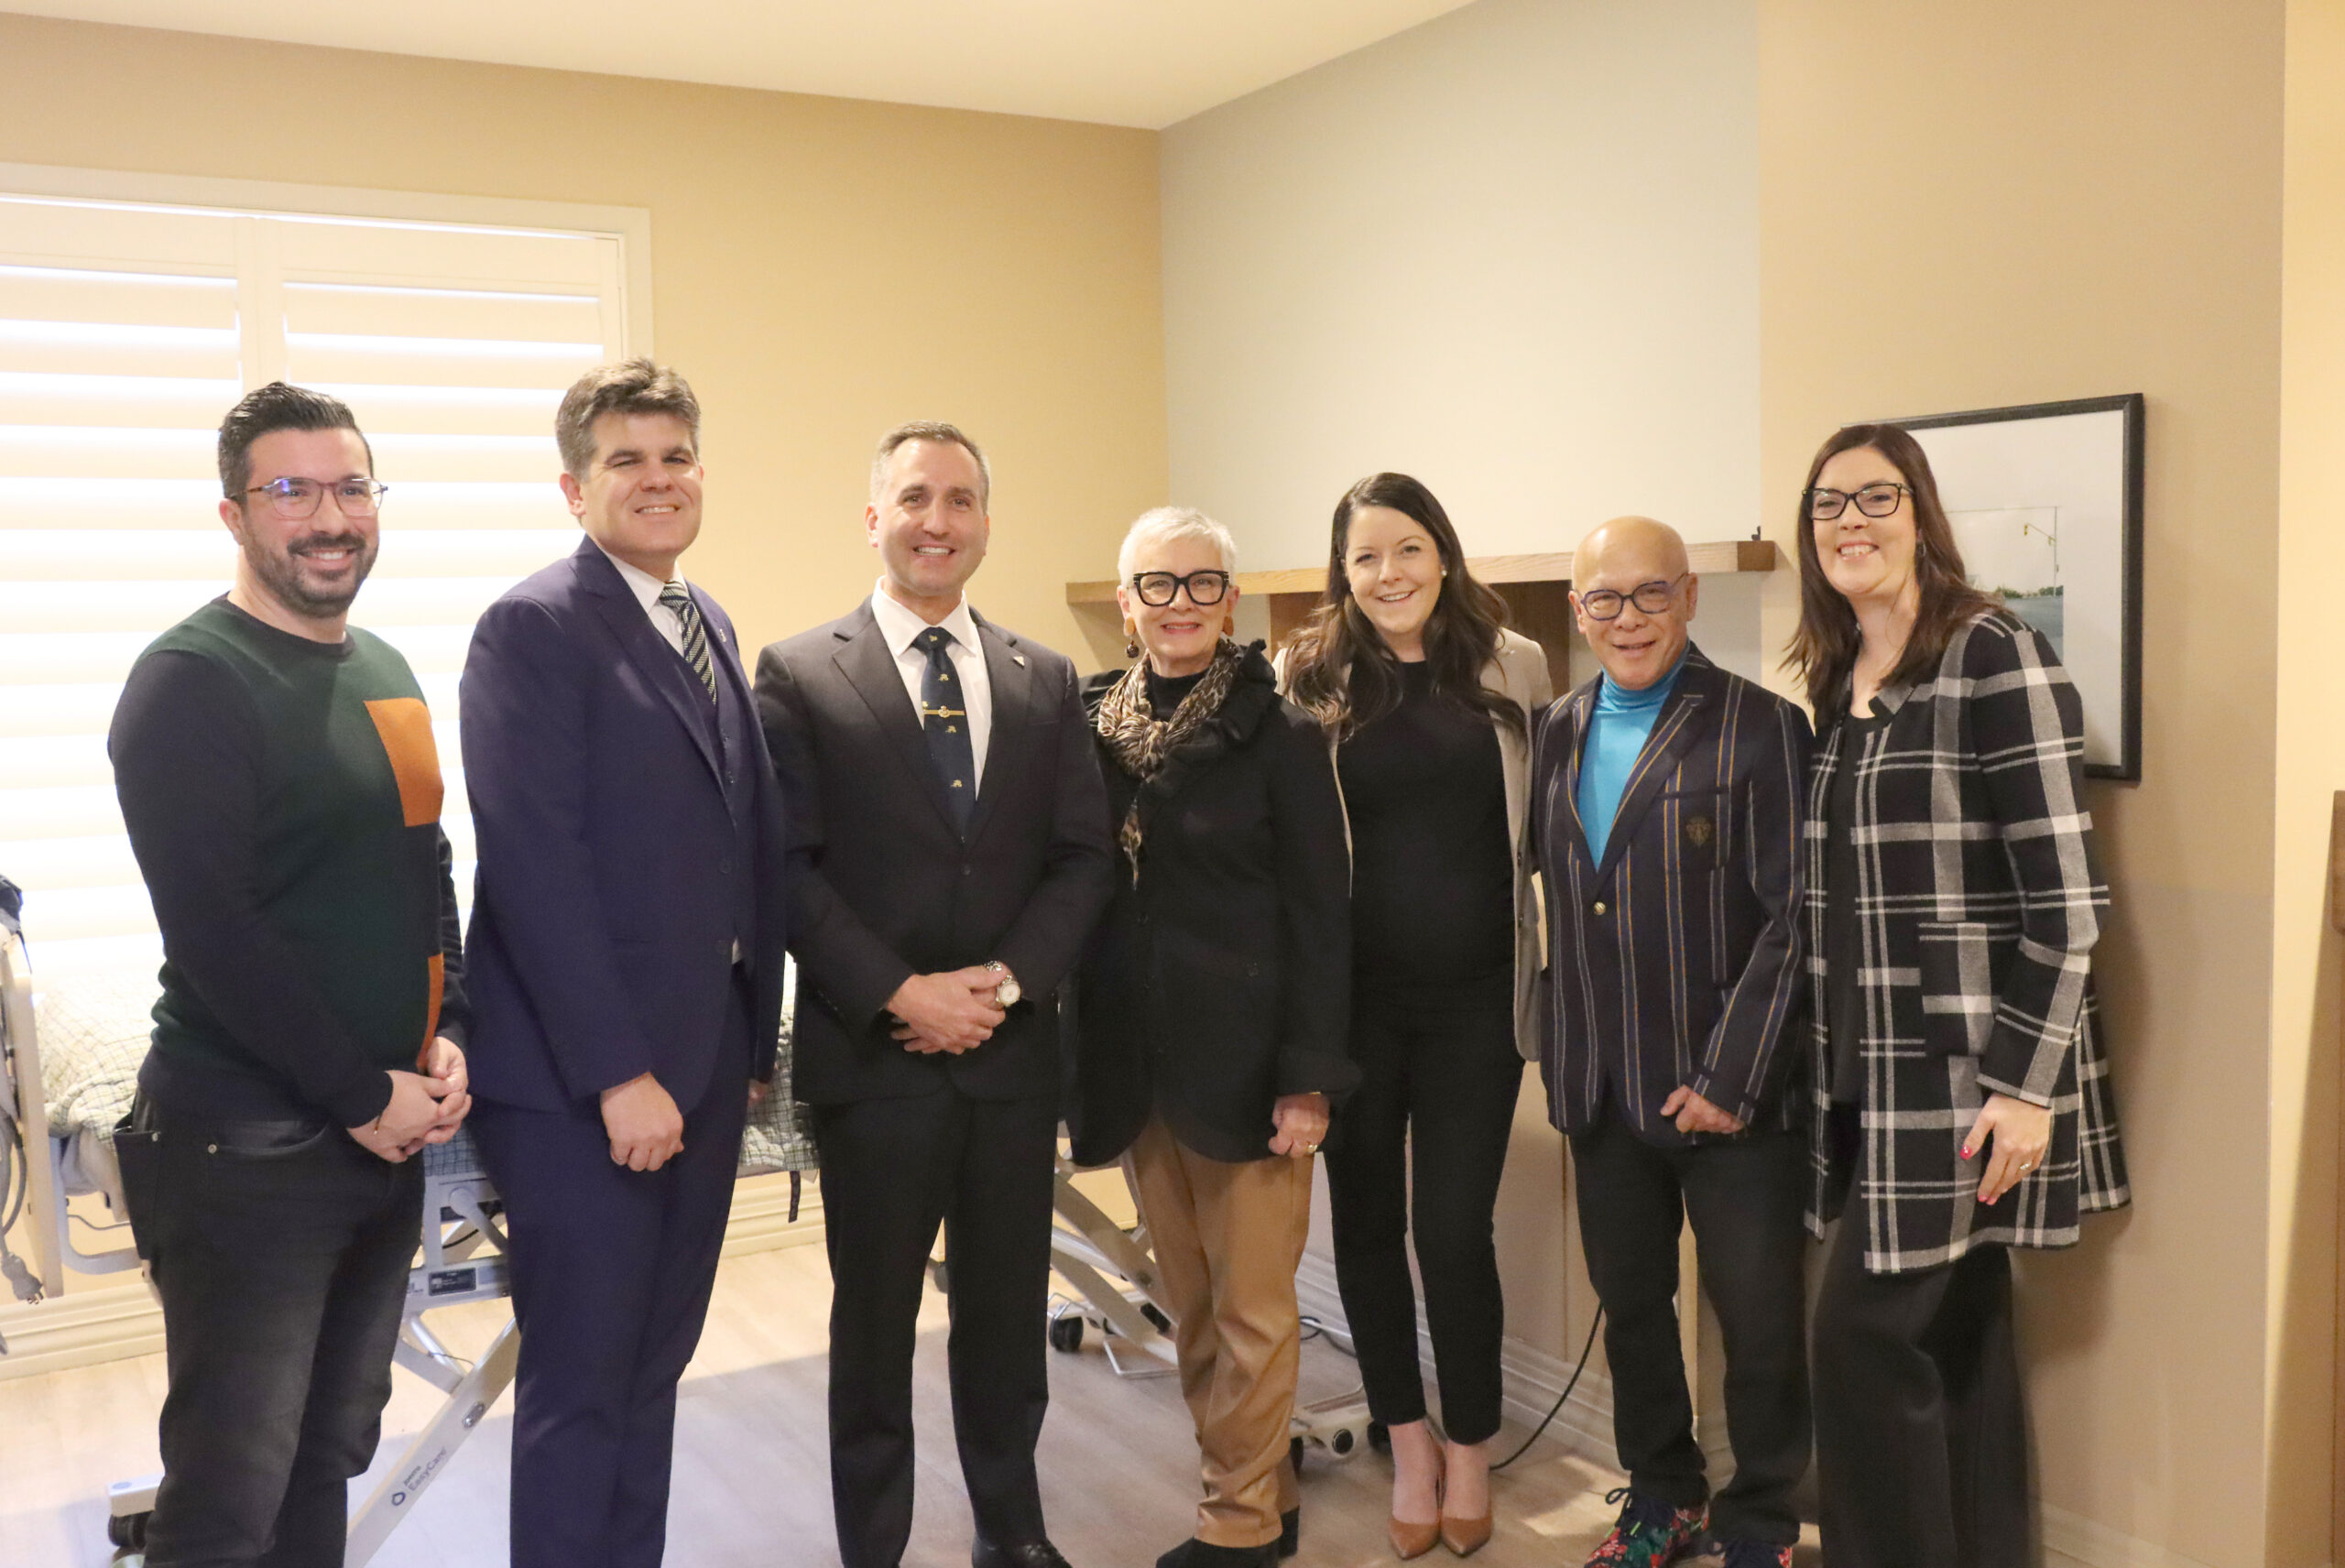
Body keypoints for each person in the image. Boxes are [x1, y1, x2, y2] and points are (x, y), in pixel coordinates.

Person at [109, 381, 472, 1566]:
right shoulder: (189, 684)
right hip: (247, 1153)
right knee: (228, 1493)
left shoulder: (387, 668)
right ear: (234, 515)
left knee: (328, 1454)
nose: (329, 516)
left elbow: (431, 869)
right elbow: (218, 933)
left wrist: (447, 1027)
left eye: (351, 486)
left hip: (378, 1144)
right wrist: (364, 1095)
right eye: (292, 491)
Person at [755, 422, 1115, 1568]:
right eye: (914, 497)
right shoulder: (801, 671)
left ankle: (1012, 1534)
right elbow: (784, 867)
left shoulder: (1044, 676)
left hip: (1009, 1064)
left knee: (1006, 1323)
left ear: (984, 523)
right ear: (874, 517)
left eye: (960, 500)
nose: (937, 520)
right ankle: (875, 1544)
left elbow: (1084, 857)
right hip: (878, 1063)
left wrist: (1004, 985)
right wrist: (899, 990)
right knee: (871, 1329)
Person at [459, 359, 790, 1568]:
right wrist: (616, 1075)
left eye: (676, 457)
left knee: (653, 1370)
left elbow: (741, 845)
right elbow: (536, 870)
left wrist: (750, 1051)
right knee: (583, 1381)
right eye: (626, 461)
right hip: (580, 1090)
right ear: (573, 487)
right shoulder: (533, 629)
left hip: (700, 1072)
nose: (658, 480)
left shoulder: (705, 622)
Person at [1789, 424, 2131, 1568]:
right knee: (1965, 1336)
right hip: (1867, 1066)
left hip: (1965, 1079)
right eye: (1827, 505)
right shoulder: (1843, 675)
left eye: (1874, 498)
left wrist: (2026, 1089)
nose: (1850, 522)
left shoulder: (1993, 654)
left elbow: (2068, 900)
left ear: (1920, 511)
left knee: (1857, 1342)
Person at [1068, 508, 1357, 1568]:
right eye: (1156, 584)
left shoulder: (1281, 734)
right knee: (1189, 1307)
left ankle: (1237, 1525)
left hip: (1251, 1072)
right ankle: (1264, 1486)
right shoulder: (1090, 728)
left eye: (1201, 584)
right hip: (1138, 1069)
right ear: (1125, 599)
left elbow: (1324, 917)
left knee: (1250, 1312)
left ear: (1230, 601)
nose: (1179, 603)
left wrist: (1309, 1080)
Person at [1278, 473, 1553, 1560]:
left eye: (1405, 549)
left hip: (1480, 999)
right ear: (1340, 572)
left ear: (1441, 551)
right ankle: (1410, 1439)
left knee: (1451, 1227)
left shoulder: (1512, 664)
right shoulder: (1306, 675)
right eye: (1363, 557)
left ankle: (1473, 1442)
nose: (1386, 574)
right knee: (1366, 1230)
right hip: (1353, 1010)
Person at [1531, 517, 1813, 1568]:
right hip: (1602, 1087)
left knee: (1758, 1321)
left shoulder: (1761, 726)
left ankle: (1762, 1515)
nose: (1627, 618)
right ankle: (1662, 1495)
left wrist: (1729, 1077)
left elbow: (1795, 921)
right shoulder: (1554, 728)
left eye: (1649, 594)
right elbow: (1559, 902)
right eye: (1604, 599)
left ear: (1689, 596)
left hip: (1729, 1096)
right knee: (1633, 1308)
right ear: (1576, 610)